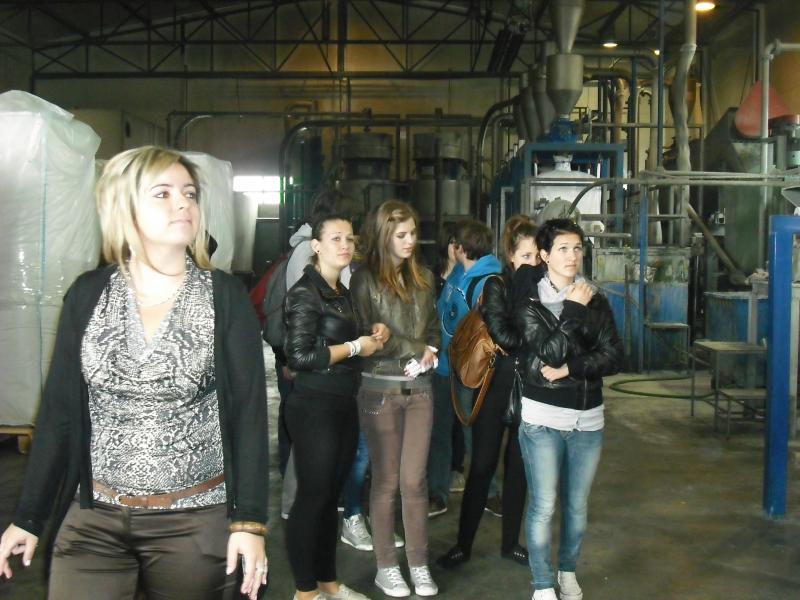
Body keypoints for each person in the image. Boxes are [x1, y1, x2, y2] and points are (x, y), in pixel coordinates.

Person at [0, 146, 269, 600]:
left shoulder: (223, 297)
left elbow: (249, 414)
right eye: (162, 194)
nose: (182, 203)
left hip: (192, 521)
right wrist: (29, 515)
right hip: (94, 518)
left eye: (189, 193)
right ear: (123, 208)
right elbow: (60, 412)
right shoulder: (88, 294)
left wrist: (250, 522)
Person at [515, 219, 623, 600]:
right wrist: (573, 309)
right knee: (544, 506)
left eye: (577, 248)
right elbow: (547, 352)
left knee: (576, 507)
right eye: (562, 248)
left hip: (588, 420)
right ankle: (543, 584)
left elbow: (614, 356)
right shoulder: (530, 304)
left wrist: (570, 368)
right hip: (543, 419)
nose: (572, 256)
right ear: (544, 256)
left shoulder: (597, 300)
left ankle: (567, 571)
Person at [283, 211, 386, 600]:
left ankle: (327, 582)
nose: (345, 245)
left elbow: (342, 338)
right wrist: (357, 346)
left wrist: (371, 333)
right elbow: (299, 356)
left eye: (349, 239)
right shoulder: (305, 292)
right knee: (312, 498)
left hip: (342, 400)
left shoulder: (340, 290)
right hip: (314, 405)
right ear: (316, 246)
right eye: (336, 239)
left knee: (329, 498)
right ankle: (305, 591)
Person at [438, 214, 540, 570]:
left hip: (531, 389)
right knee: (481, 465)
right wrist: (537, 332)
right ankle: (463, 545)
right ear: (510, 255)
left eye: (537, 256)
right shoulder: (497, 285)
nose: (533, 263)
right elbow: (505, 336)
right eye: (525, 256)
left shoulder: (545, 288)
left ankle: (511, 543)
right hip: (495, 387)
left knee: (518, 468)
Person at [351, 201, 440, 598]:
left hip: (420, 390)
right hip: (379, 391)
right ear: (384, 235)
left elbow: (433, 327)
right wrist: (414, 348)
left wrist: (430, 350)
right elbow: (368, 337)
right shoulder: (364, 280)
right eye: (401, 234)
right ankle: (386, 566)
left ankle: (419, 564)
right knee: (386, 482)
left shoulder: (424, 277)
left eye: (413, 233)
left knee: (415, 481)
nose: (410, 241)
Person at [427, 219, 501, 517]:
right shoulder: (459, 272)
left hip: (469, 373)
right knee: (439, 432)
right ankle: (437, 492)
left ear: (460, 247)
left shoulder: (487, 281)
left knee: (475, 435)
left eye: (453, 242)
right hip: (443, 367)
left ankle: (490, 492)